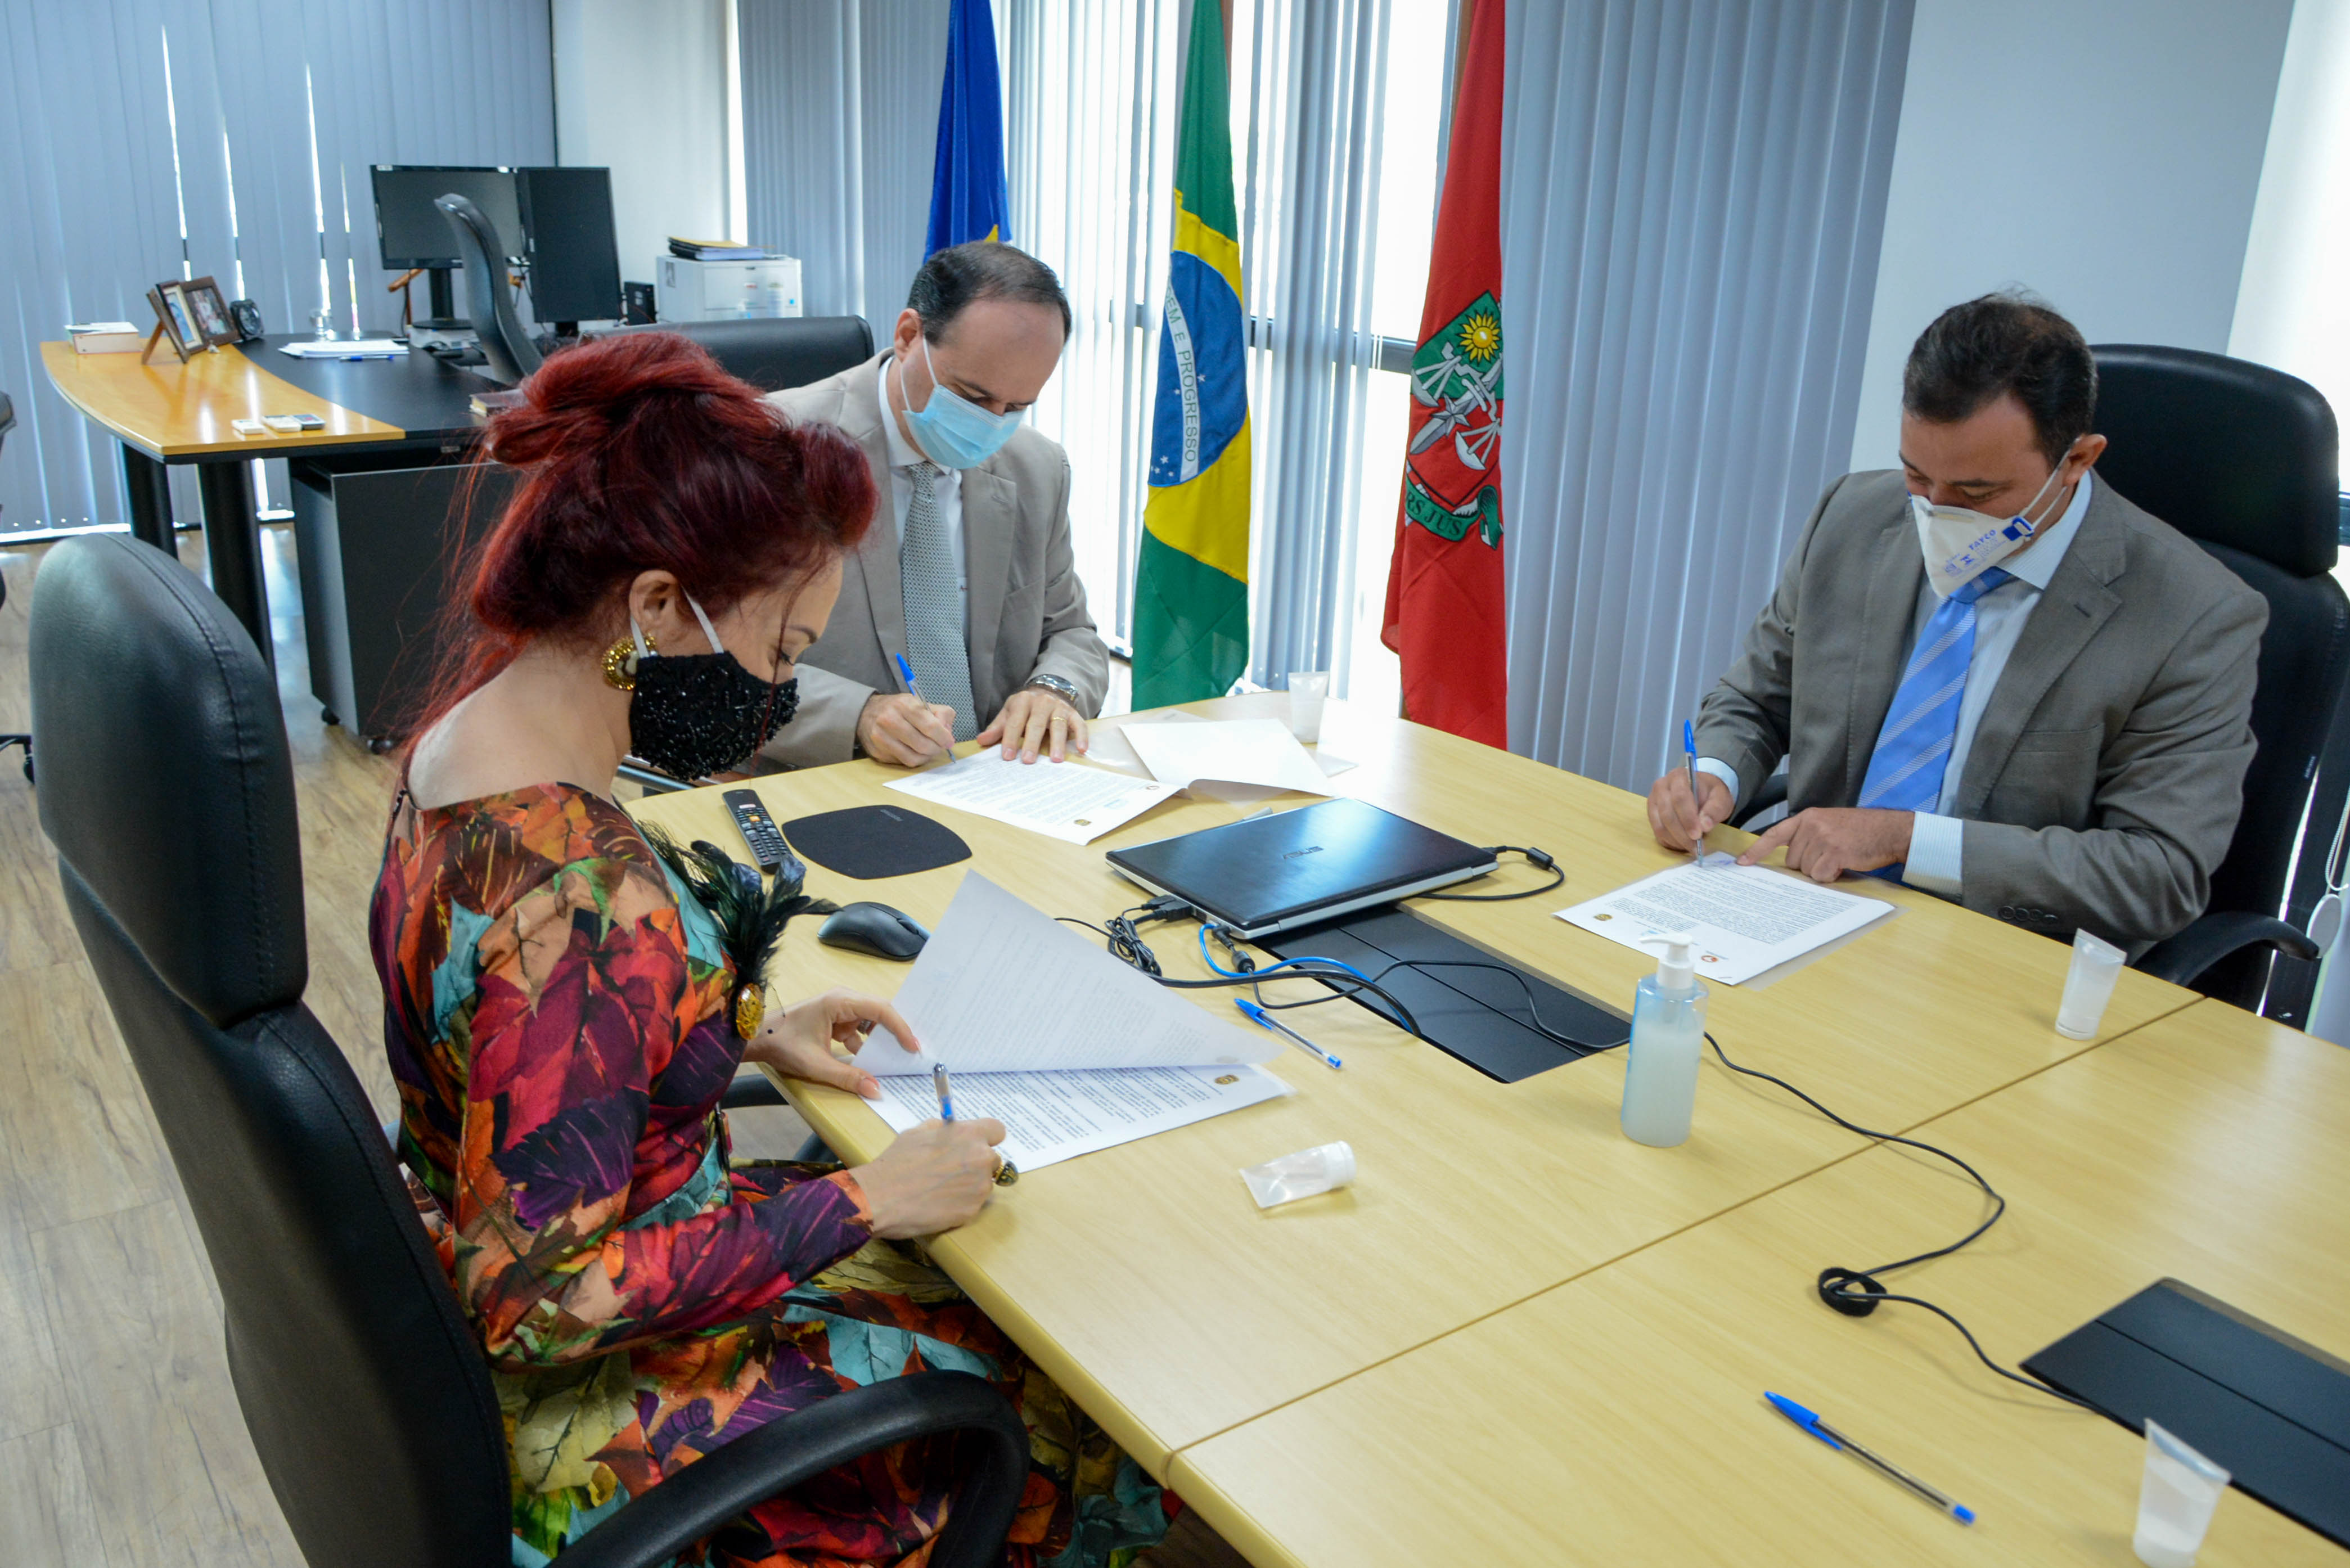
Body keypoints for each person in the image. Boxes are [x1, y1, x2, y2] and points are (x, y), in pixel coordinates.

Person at [370, 332, 1177, 1567]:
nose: (776, 685)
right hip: (609, 1408)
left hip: (529, 1275)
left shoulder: (466, 748)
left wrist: (723, 1033)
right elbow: (541, 1302)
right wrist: (863, 1193)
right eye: (784, 652)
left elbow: (511, 1056)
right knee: (1080, 1376)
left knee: (988, 1288)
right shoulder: (573, 890)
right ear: (650, 606)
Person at [1646, 293, 2266, 954]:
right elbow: (1756, 698)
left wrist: (1906, 838)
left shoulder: (2193, 615)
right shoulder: (1854, 516)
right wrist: (1713, 773)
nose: (1937, 513)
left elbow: (2156, 875)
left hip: (1998, 959)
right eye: (1917, 475)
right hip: (1801, 912)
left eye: (1976, 494)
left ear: (2077, 462)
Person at [755, 241, 1110, 771]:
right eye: (971, 396)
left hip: (996, 779)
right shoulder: (773, 450)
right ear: (907, 337)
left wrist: (1054, 690)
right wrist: (859, 715)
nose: (992, 423)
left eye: (1017, 407)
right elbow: (703, 650)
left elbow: (1072, 632)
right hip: (826, 779)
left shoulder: (1036, 468)